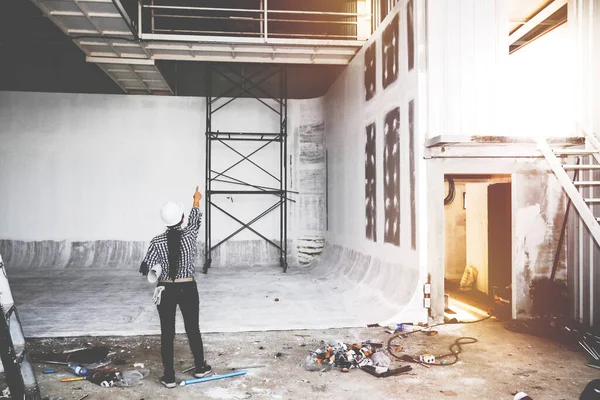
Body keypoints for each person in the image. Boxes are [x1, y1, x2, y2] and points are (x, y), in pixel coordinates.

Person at [139, 186, 211, 388]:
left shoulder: (156, 241)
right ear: (181, 219)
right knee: (192, 328)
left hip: (165, 290)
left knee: (167, 333)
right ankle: (200, 367)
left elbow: (148, 268)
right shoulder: (189, 235)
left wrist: (158, 270)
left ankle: (169, 377)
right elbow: (195, 218)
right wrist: (196, 199)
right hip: (187, 287)